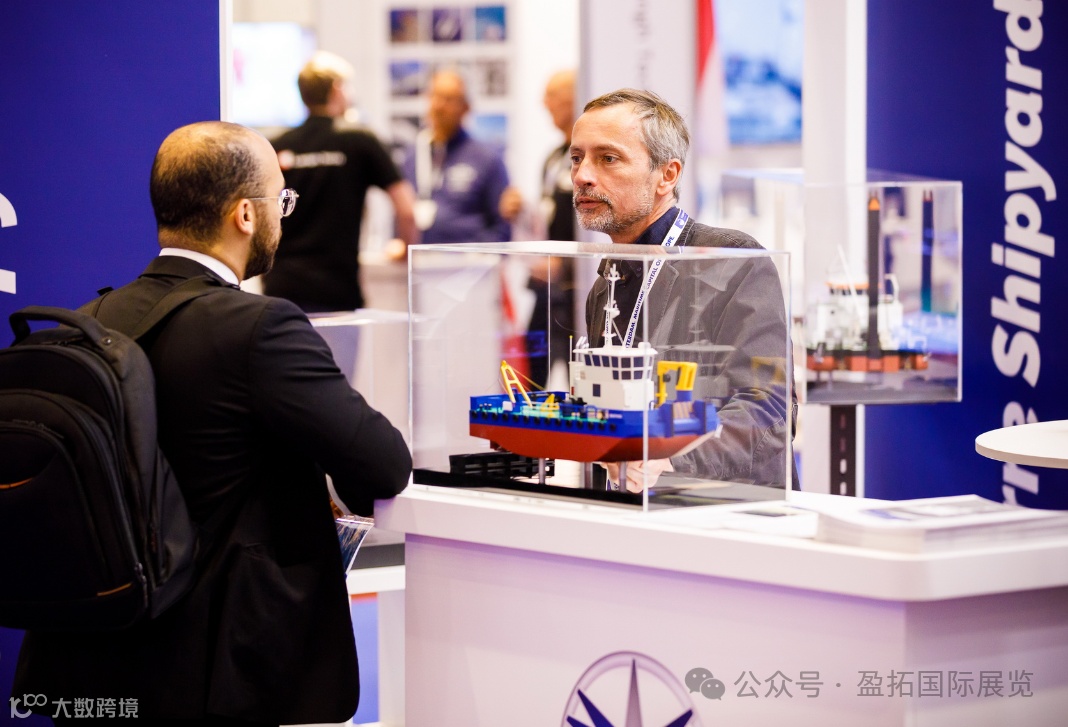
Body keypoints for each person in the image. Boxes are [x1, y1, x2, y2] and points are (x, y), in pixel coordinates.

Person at [14, 121, 413, 725]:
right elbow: (384, 462)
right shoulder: (261, 328)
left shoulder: (89, 320)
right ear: (245, 215)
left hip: (92, 653)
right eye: (281, 199)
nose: (284, 215)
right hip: (217, 666)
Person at [569, 88, 797, 490]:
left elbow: (769, 409)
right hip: (636, 507)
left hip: (728, 509)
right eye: (576, 158)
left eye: (607, 158)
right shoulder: (607, 285)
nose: (582, 175)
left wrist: (672, 459)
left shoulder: (731, 259)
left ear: (667, 175)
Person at [264, 51, 418, 312]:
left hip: (282, 289)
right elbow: (407, 210)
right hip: (336, 290)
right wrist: (405, 249)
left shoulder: (277, 145)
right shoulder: (360, 140)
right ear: (337, 89)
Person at [498, 69, 578, 388]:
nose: (545, 104)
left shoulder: (592, 159)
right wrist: (520, 211)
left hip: (577, 290)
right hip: (545, 288)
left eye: (552, 96)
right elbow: (548, 218)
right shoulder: (554, 158)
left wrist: (567, 264)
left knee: (579, 378)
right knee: (529, 376)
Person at [401, 68, 511, 243]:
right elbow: (402, 211)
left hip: (469, 257)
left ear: (465, 108)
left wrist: (481, 256)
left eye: (448, 99)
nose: (439, 106)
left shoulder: (487, 159)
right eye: (434, 96)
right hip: (419, 256)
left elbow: (503, 225)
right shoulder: (412, 156)